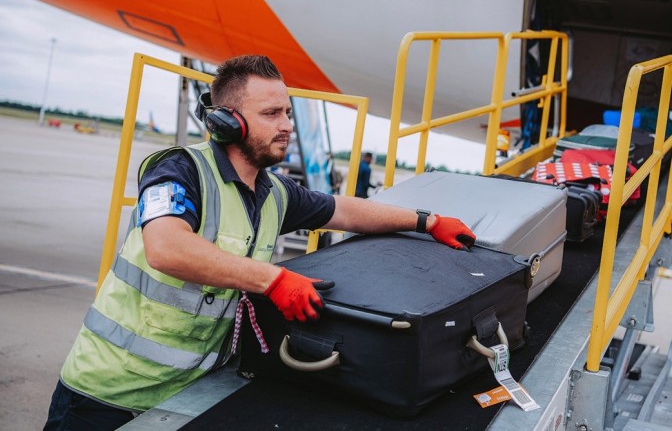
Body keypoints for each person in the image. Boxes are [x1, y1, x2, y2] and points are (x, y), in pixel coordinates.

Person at [45, 55, 476, 430]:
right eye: (272, 114)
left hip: (184, 396)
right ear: (227, 120)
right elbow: (166, 247)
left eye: (288, 112)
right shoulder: (181, 171)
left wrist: (426, 220)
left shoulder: (275, 192)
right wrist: (271, 279)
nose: (287, 125)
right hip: (105, 397)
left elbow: (345, 210)